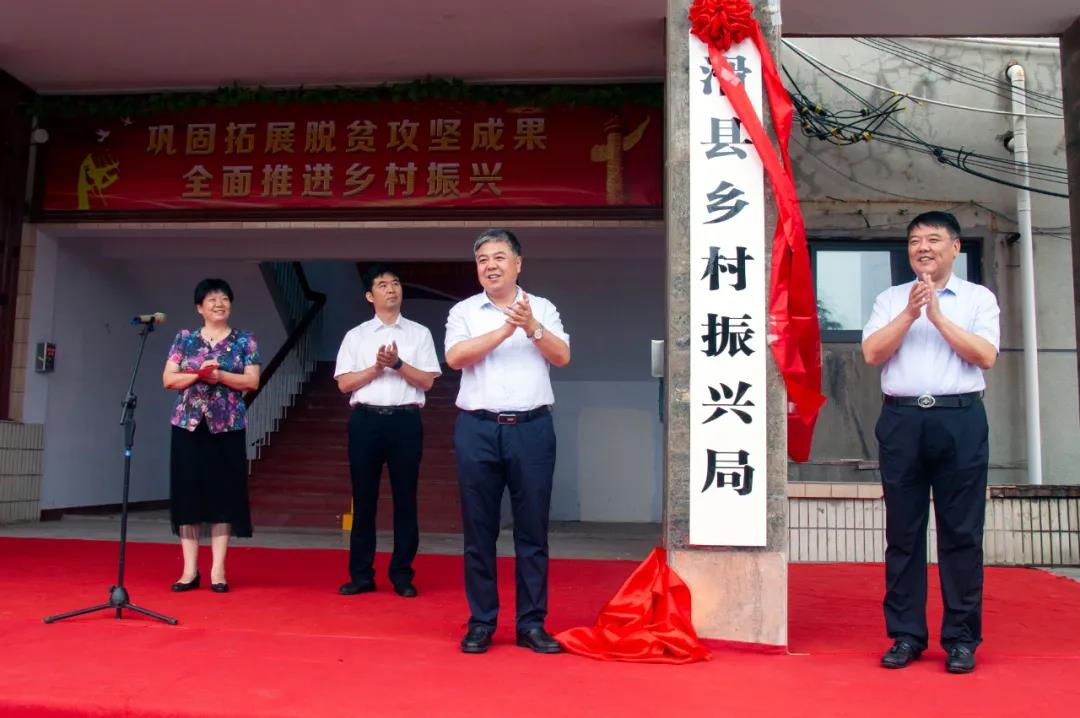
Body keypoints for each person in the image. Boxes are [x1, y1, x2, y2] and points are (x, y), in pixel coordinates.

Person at [862, 211, 1000, 674]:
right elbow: (872, 353)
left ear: (955, 248)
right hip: (902, 420)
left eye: (934, 239)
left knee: (962, 533)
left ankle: (961, 639)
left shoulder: (978, 299)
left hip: (960, 419)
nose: (923, 248)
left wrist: (938, 317)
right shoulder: (890, 299)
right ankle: (906, 635)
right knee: (903, 532)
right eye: (915, 240)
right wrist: (910, 313)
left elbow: (985, 355)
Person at [445, 229, 571, 654]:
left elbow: (562, 356)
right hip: (477, 429)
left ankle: (531, 624)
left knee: (532, 531)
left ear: (518, 263)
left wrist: (531, 326)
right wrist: (504, 330)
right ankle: (481, 622)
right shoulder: (464, 311)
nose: (491, 265)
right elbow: (455, 358)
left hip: (532, 429)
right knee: (478, 531)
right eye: (483, 259)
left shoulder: (544, 308)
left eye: (499, 257)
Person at [334, 264, 441, 598]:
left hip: (405, 421)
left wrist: (397, 364)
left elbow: (427, 381)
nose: (392, 289)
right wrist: (377, 368)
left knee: (405, 499)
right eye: (383, 285)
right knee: (363, 499)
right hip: (366, 421)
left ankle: (402, 575)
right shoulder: (356, 336)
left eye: (395, 283)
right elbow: (344, 383)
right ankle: (361, 575)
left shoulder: (420, 333)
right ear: (370, 296)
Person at [162, 278, 261, 594]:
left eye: (224, 299)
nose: (219, 304)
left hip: (227, 426)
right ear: (199, 307)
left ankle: (218, 569)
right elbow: (168, 379)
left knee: (224, 494)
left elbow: (252, 381)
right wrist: (198, 375)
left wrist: (219, 376)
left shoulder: (244, 340)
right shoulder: (185, 339)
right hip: (188, 425)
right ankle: (189, 570)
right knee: (187, 493)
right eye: (212, 299)